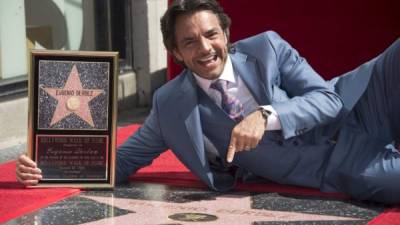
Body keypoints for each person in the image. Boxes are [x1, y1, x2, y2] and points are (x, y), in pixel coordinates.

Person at [16, 0, 400, 204]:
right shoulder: (171, 106)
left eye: (211, 34)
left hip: (362, 103)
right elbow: (123, 162)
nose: (205, 49)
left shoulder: (267, 47)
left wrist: (266, 115)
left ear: (226, 32)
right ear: (175, 53)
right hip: (338, 166)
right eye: (189, 42)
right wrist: (49, 168)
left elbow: (327, 100)